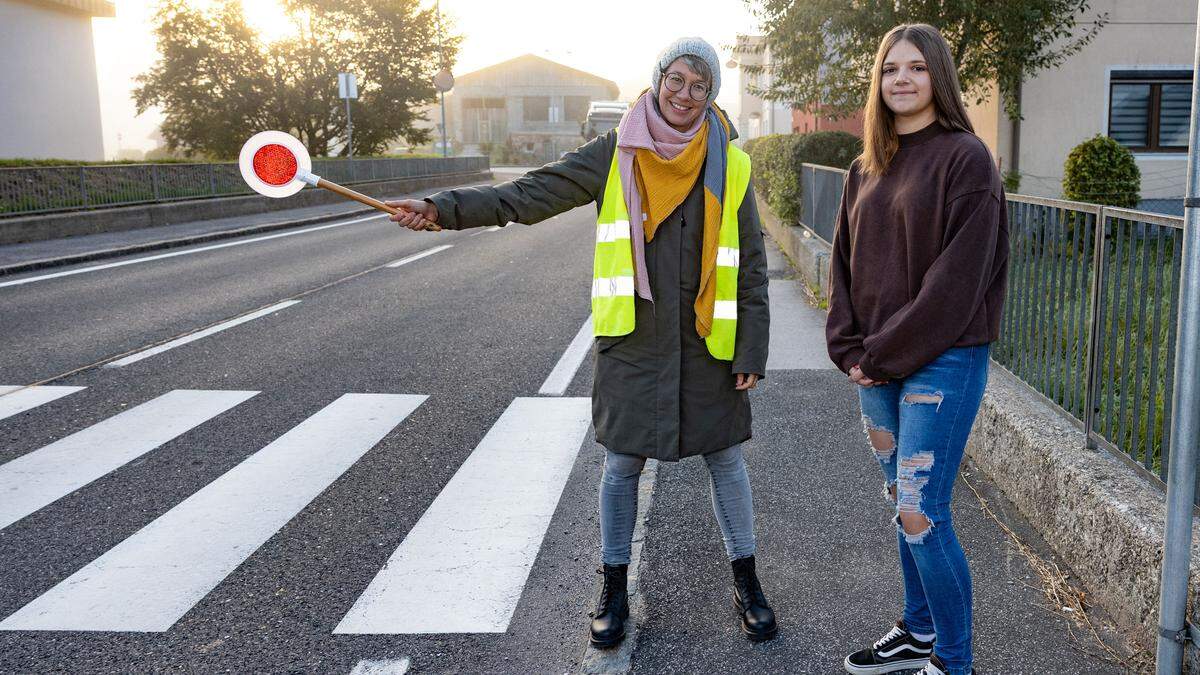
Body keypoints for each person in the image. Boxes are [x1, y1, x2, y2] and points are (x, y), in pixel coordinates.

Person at [387, 37, 775, 647]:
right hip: (634, 341)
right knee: (621, 465)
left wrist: (751, 349)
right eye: (675, 79)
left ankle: (747, 581)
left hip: (708, 343)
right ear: (657, 80)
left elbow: (748, 263)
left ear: (711, 96)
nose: (684, 94)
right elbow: (527, 195)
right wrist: (442, 208)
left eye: (700, 86)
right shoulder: (613, 153)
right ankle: (613, 587)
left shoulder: (732, 162)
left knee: (725, 460)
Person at [825, 24, 1009, 675]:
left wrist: (876, 353)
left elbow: (954, 287)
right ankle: (918, 629)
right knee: (899, 505)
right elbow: (843, 264)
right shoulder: (864, 166)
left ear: (938, 78)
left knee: (921, 509)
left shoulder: (966, 160)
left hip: (942, 362)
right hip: (875, 368)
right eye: (889, 69)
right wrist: (847, 346)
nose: (900, 79)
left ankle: (954, 661)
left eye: (915, 68)